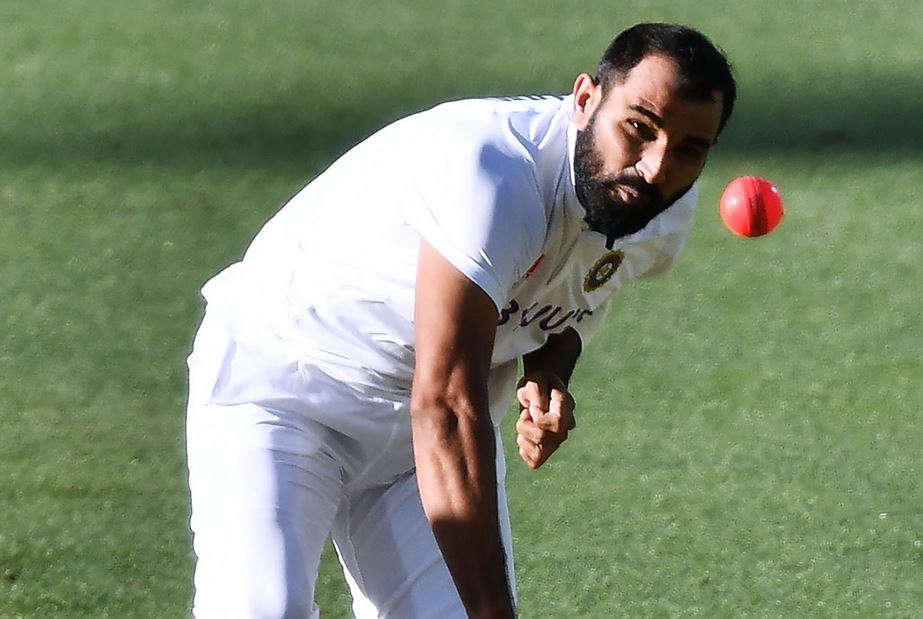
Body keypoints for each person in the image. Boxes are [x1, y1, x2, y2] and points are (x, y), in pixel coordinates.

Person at [185, 22, 736, 619]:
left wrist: (550, 367)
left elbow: (583, 291)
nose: (656, 168)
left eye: (688, 150)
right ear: (585, 100)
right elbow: (445, 402)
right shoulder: (492, 174)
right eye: (639, 128)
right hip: (288, 390)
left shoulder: (658, 211)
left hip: (415, 447)